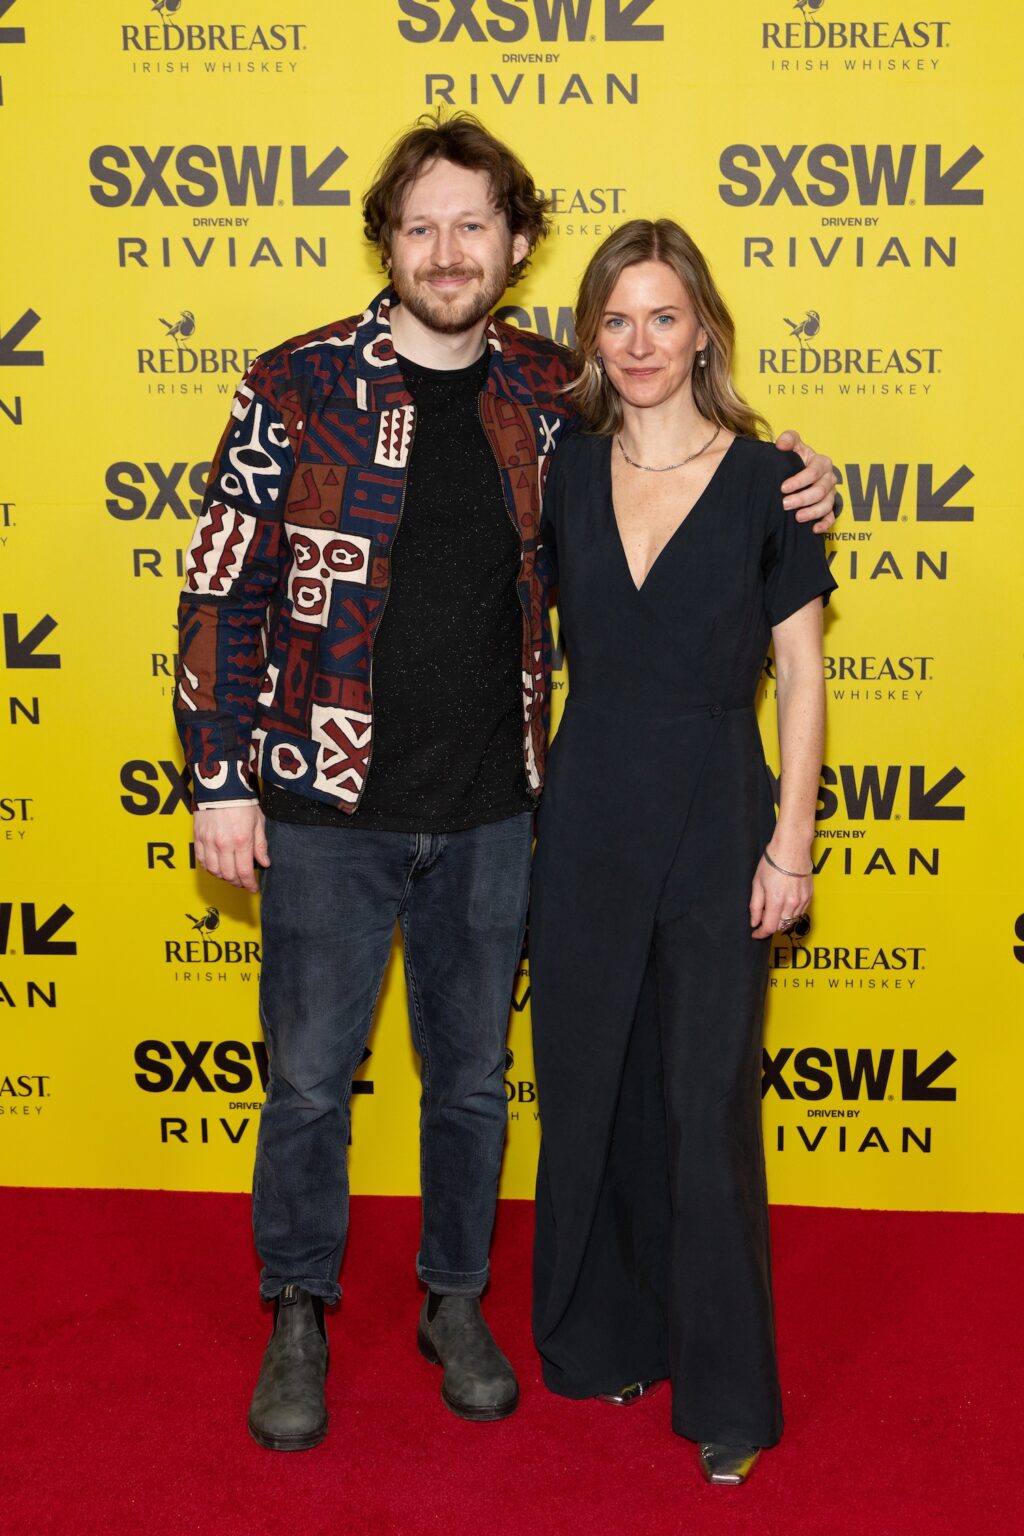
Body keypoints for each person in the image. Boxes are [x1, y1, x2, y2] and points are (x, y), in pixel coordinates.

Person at [173, 115, 836, 1454]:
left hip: (496, 812)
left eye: (474, 224)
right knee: (309, 1082)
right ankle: (299, 1306)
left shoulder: (549, 392)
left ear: (517, 245)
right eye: (420, 225)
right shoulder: (292, 383)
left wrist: (802, 475)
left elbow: (695, 459)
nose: (447, 249)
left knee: (473, 1082)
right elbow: (220, 583)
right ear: (390, 241)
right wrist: (218, 778)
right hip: (323, 802)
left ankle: (454, 1302)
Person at [529, 219, 836, 1486]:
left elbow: (802, 676)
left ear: (701, 326)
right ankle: (612, 1331)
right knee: (593, 1085)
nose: (641, 343)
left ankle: (727, 1392)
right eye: (616, 319)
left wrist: (792, 843)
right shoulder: (560, 467)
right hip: (587, 816)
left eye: (663, 317)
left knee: (705, 1106)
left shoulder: (772, 482)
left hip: (719, 817)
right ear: (590, 337)